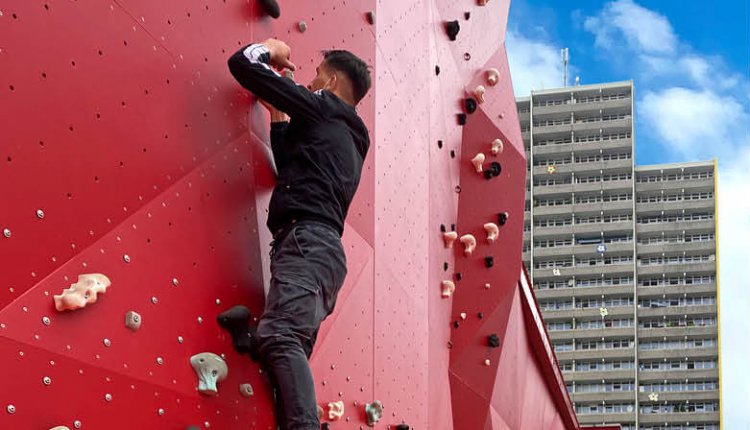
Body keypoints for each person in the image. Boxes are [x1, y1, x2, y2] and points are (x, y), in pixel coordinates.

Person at [226, 38, 371, 429]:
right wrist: (278, 116)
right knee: (284, 349)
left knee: (281, 337)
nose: (309, 83)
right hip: (317, 250)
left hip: (308, 243)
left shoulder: (325, 109)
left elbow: (241, 65)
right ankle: (251, 343)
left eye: (317, 76)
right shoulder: (346, 136)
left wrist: (269, 49)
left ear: (333, 81)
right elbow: (290, 165)